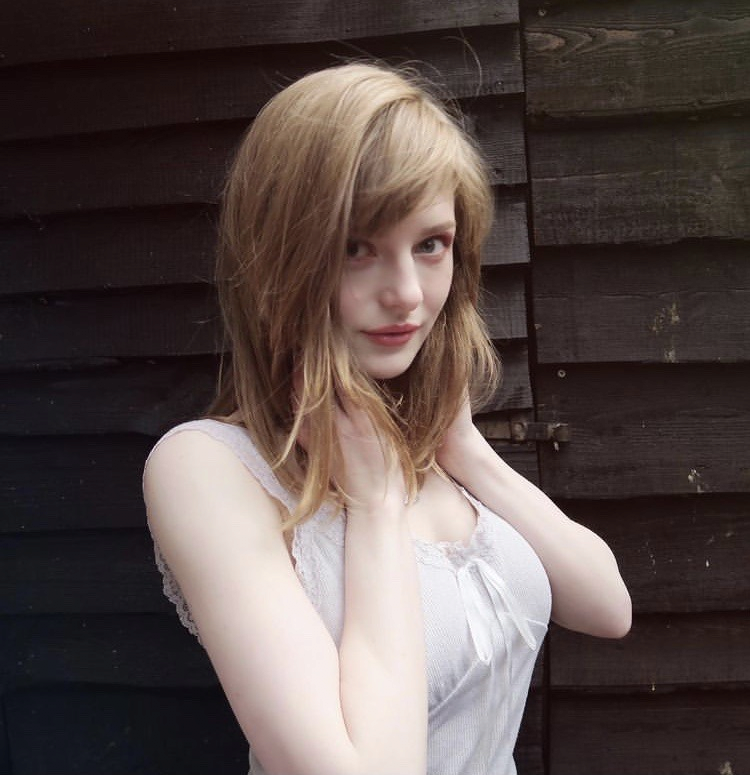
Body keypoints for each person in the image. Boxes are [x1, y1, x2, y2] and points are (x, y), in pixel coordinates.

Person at [142, 62, 631, 775]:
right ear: (280, 258)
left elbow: (608, 608)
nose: (406, 294)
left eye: (430, 244)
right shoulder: (211, 470)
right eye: (356, 248)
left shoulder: (436, 450)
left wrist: (467, 450)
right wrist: (375, 507)